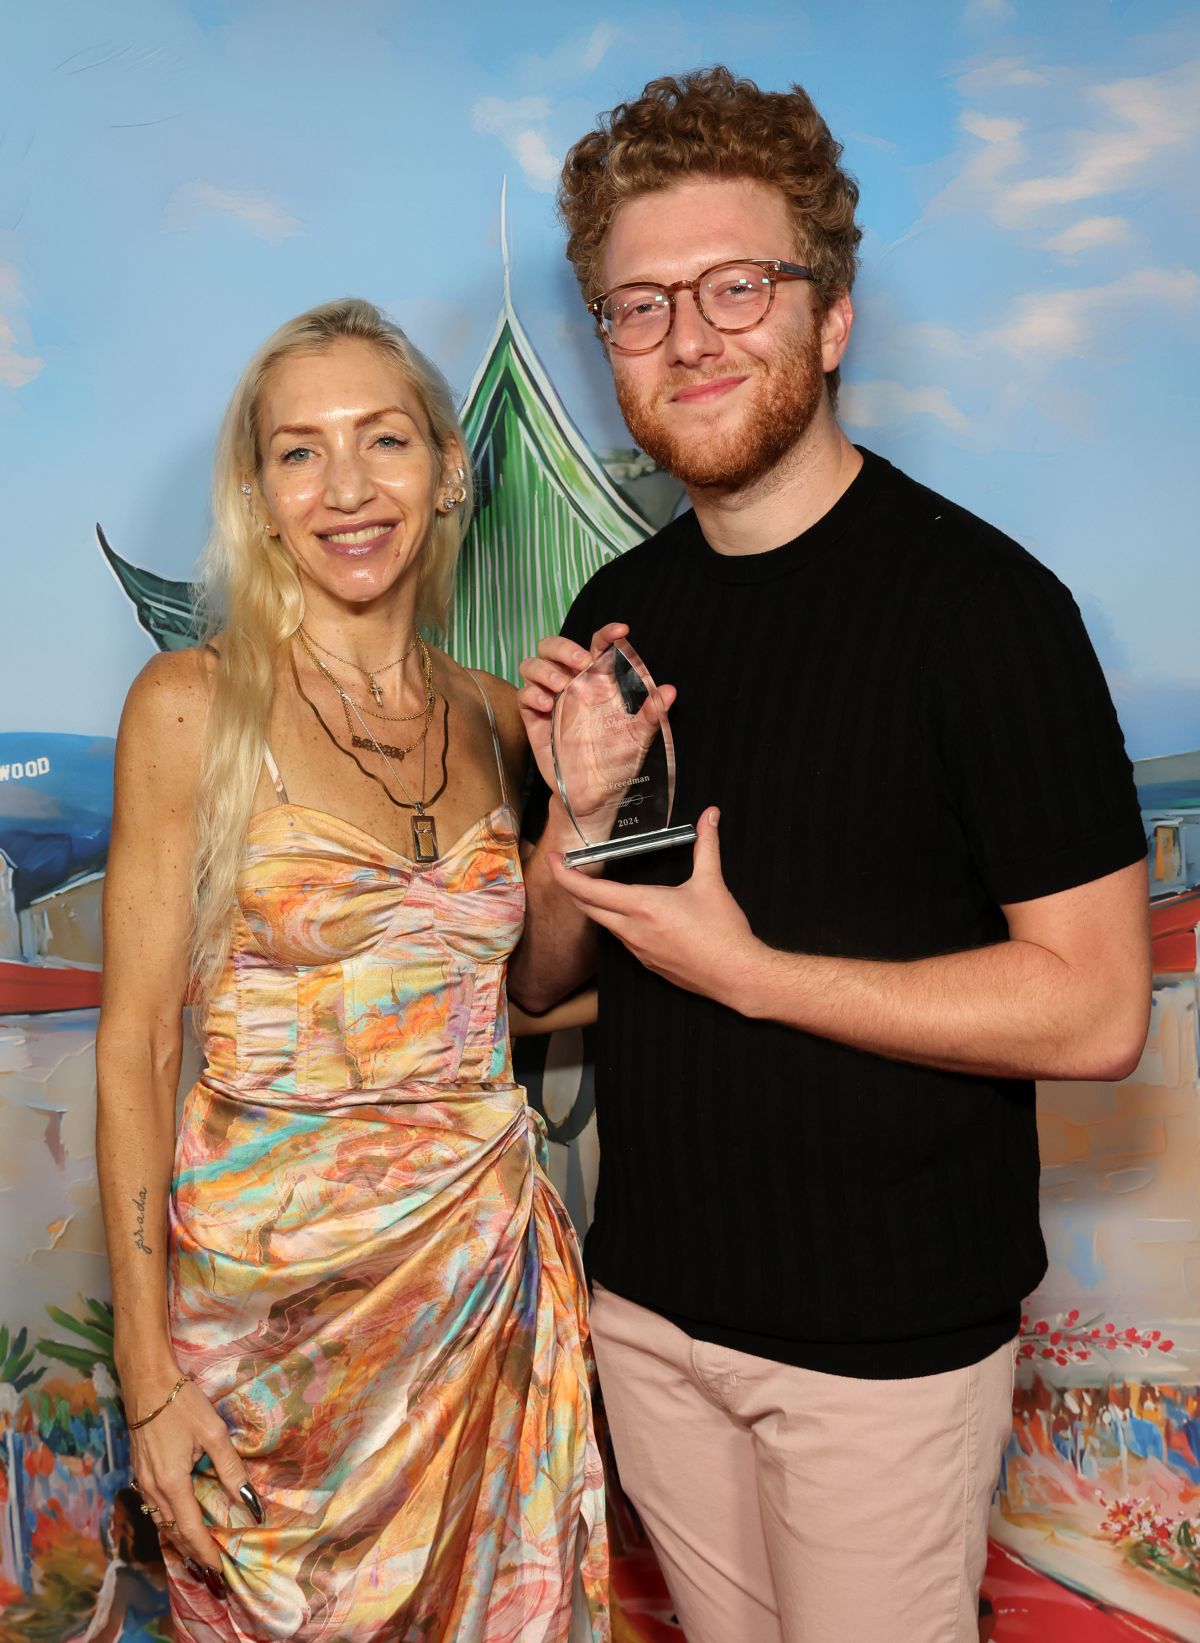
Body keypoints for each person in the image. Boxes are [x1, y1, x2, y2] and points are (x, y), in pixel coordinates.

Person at [512, 67, 1151, 1643]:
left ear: (834, 316)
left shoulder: (989, 610)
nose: (690, 337)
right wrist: (575, 827)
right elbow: (538, 985)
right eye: (640, 304)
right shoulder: (620, 599)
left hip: (885, 1349)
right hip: (654, 1315)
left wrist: (761, 975)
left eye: (738, 286)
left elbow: (1095, 1010)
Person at [96, 298, 608, 1642]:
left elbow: (530, 989)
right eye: (300, 452)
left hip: (479, 1307)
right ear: (259, 496)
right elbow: (140, 1043)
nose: (346, 488)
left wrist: (596, 834)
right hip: (262, 1342)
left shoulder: (502, 715)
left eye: (384, 440)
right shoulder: (190, 705)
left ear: (448, 469)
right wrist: (148, 1376)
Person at [72, 1487, 171, 1643]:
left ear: (129, 1530)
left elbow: (106, 1636)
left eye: (115, 1522)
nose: (111, 1530)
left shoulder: (124, 1578)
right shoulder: (170, 1571)